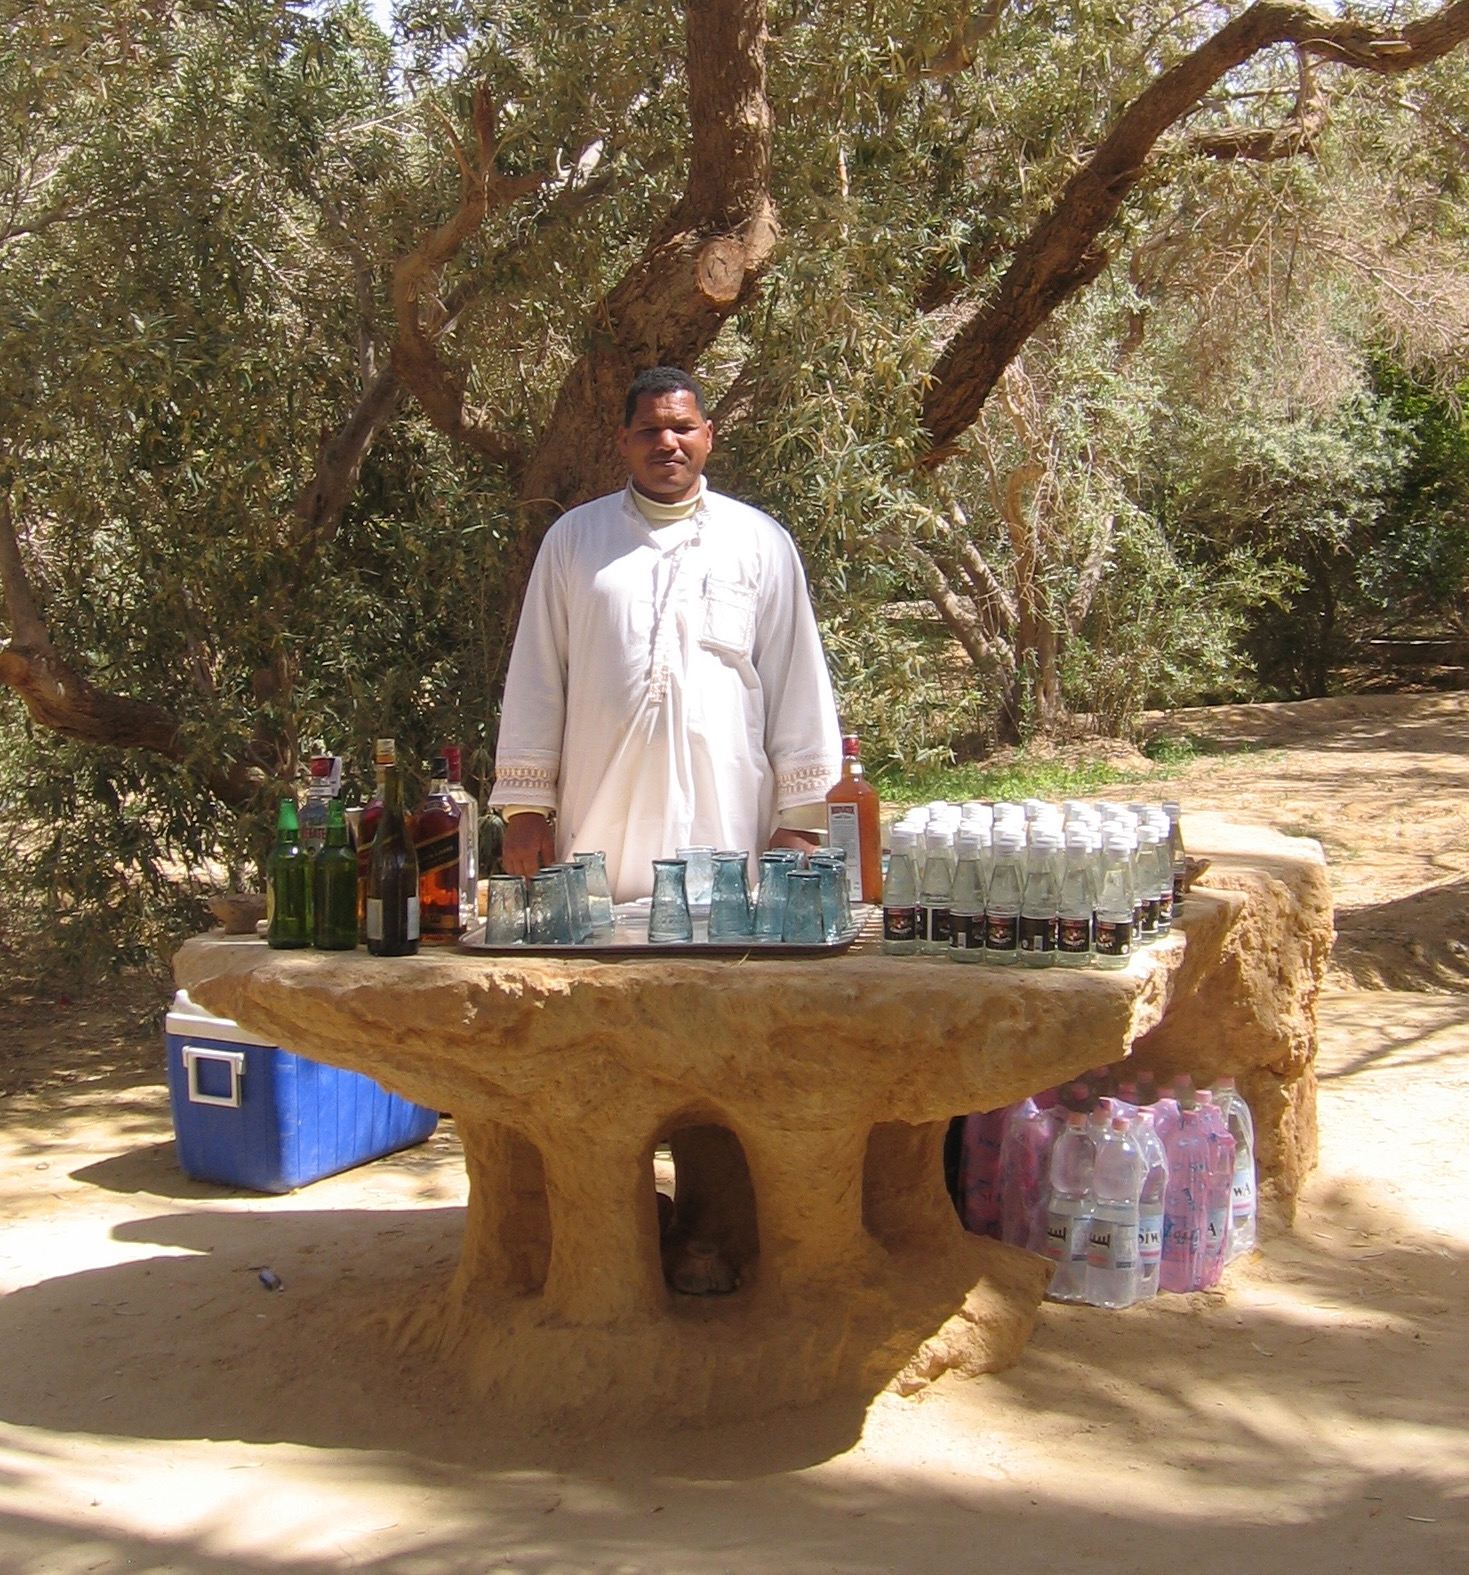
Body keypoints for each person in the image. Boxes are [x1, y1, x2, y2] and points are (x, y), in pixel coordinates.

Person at [490, 366, 842, 902]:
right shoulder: (575, 539)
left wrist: (801, 818)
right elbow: (537, 677)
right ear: (625, 442)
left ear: (708, 434)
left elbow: (797, 681)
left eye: (681, 427)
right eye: (650, 431)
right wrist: (526, 810)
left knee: (726, 964)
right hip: (597, 819)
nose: (667, 443)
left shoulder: (760, 541)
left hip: (728, 819)